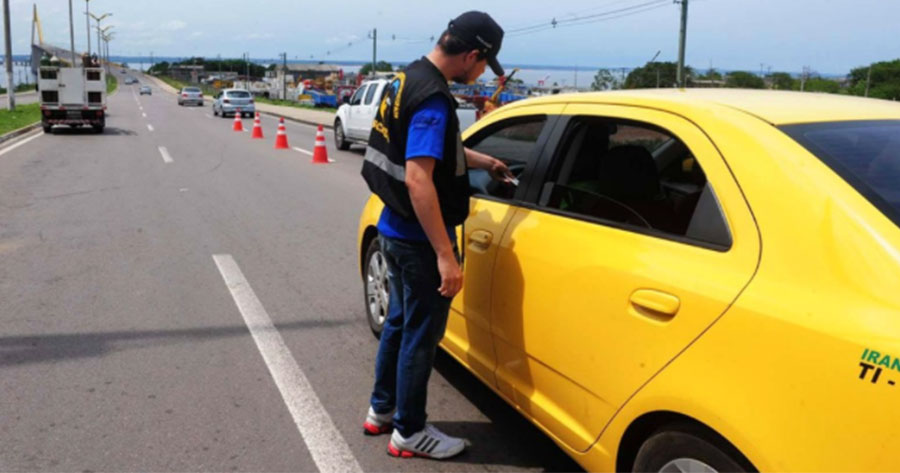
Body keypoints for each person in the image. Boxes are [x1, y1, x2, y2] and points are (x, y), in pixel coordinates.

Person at [360, 11, 511, 460]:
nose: (482, 75)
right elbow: (418, 178)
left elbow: (430, 148)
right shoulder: (434, 99)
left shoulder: (407, 78)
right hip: (418, 241)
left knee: (399, 323)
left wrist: (483, 161)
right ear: (471, 54)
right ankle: (409, 432)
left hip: (392, 228)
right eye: (484, 65)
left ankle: (382, 410)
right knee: (421, 337)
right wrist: (446, 256)